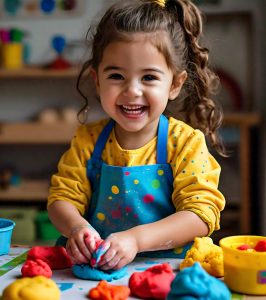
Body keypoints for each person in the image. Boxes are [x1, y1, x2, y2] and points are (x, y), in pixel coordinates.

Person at [47, 0, 226, 271]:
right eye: (117, 75)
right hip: (102, 269)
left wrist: (136, 240)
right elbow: (62, 199)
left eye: (149, 78)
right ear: (97, 80)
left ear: (175, 84)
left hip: (170, 270)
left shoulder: (185, 143)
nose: (132, 91)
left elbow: (200, 215)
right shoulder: (88, 140)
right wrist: (77, 227)